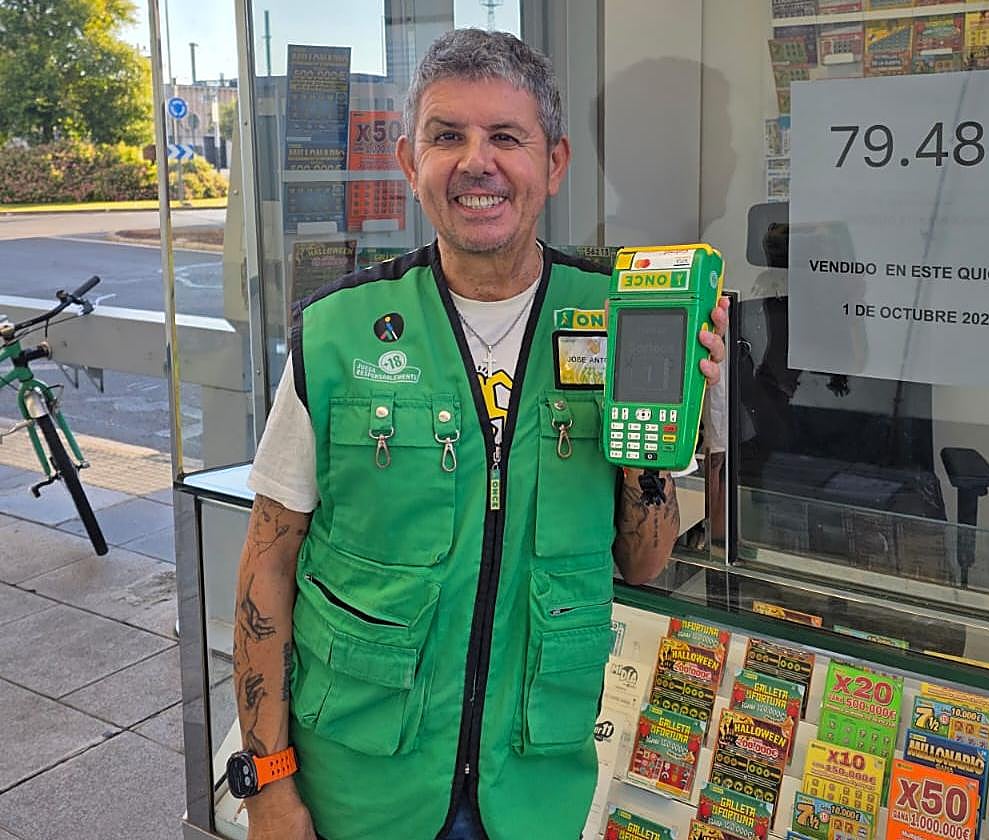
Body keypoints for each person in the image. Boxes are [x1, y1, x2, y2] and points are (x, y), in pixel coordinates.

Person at [232, 28, 728, 840]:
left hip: (532, 789)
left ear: (554, 163)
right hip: (359, 791)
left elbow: (645, 561)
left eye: (507, 137)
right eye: (447, 135)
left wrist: (663, 429)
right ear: (408, 161)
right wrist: (268, 787)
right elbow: (266, 564)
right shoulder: (335, 334)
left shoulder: (623, 315)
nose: (477, 162)